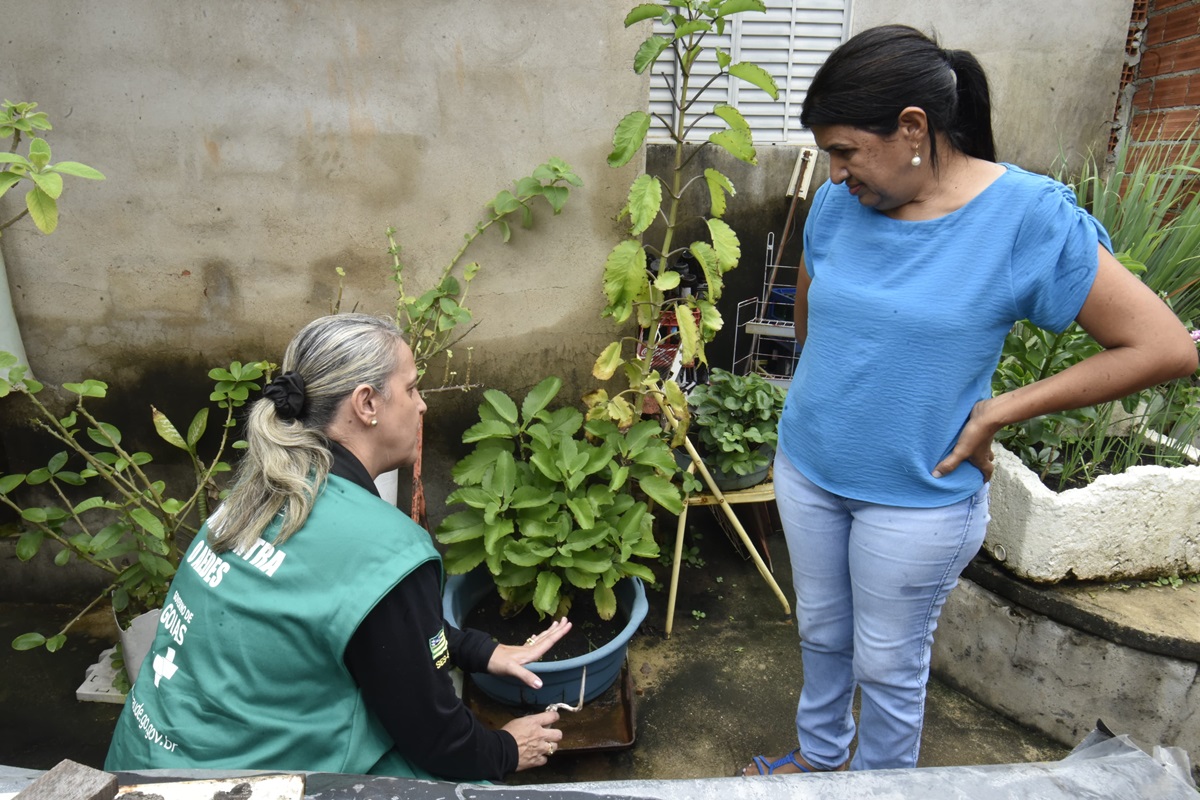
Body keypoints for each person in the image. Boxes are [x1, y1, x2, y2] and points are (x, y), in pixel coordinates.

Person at [743, 25, 1199, 775]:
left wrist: (997, 411)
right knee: (821, 635)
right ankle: (819, 764)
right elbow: (811, 307)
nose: (833, 174)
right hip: (808, 467)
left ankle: (880, 793)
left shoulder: (1024, 217)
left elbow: (1162, 346)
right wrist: (812, 393)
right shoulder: (839, 204)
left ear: (914, 127)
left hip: (916, 497)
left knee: (888, 669)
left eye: (847, 151)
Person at [105, 313, 571, 781]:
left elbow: (353, 618)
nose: (422, 406)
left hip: (142, 763)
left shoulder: (253, 498)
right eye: (411, 389)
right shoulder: (381, 548)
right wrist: (508, 748)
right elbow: (438, 738)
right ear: (367, 403)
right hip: (234, 788)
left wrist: (478, 650)